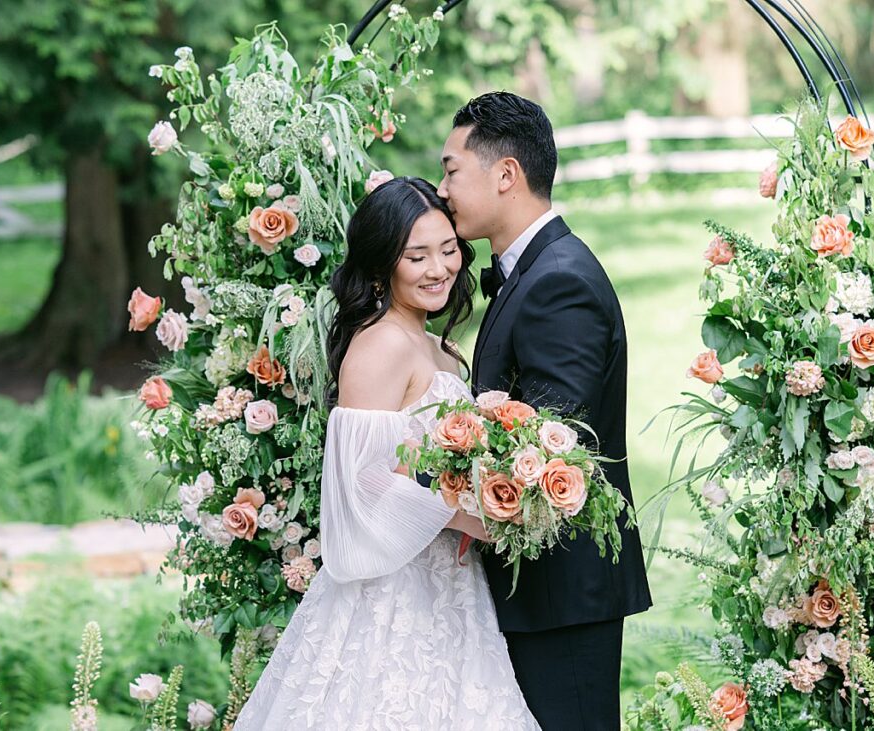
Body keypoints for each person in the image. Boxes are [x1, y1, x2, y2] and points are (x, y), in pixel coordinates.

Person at [234, 176, 540, 730]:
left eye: (448, 250)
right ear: (381, 267)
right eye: (416, 256)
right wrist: (468, 515)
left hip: (449, 585)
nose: (439, 268)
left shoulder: (437, 346)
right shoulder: (380, 345)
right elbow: (365, 480)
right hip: (390, 589)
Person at [437, 91, 653, 730]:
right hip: (536, 589)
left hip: (563, 594)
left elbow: (549, 449)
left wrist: (437, 500)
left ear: (505, 174)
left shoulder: (558, 282)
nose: (443, 188)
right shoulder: (529, 271)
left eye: (452, 170)